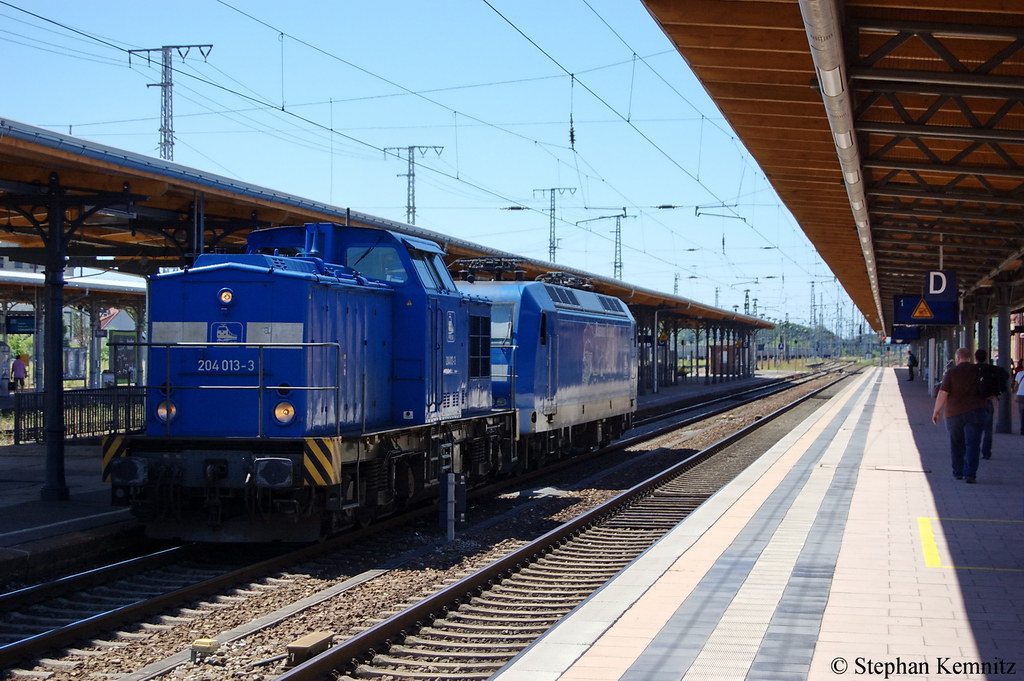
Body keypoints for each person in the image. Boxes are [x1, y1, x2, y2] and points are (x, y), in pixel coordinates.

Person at [932, 347, 988, 484]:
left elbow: (943, 393)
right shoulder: (978, 370)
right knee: (973, 444)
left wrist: (936, 411)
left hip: (953, 413)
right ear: (970, 358)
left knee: (956, 443)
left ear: (957, 358)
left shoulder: (951, 372)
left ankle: (958, 472)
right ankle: (970, 474)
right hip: (977, 412)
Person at [974, 349, 1007, 460]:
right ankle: (986, 452)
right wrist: (994, 392)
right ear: (986, 357)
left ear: (975, 357)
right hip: (987, 402)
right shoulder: (992, 369)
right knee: (988, 429)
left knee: (972, 428)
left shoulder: (972, 369)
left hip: (973, 403)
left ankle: (972, 451)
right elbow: (1005, 376)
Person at [1014, 360, 1024, 435]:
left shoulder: (1019, 374)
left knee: (1022, 412)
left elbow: (1016, 386)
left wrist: (1015, 393)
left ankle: (1022, 428)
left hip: (1020, 395)